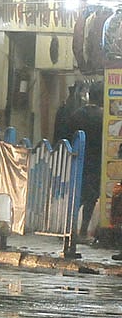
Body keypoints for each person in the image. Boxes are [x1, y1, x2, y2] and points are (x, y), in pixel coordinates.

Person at [73, 83, 104, 239]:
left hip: (77, 162)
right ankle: (83, 231)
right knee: (91, 197)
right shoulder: (103, 117)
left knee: (76, 197)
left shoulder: (77, 114)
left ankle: (69, 229)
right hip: (96, 163)